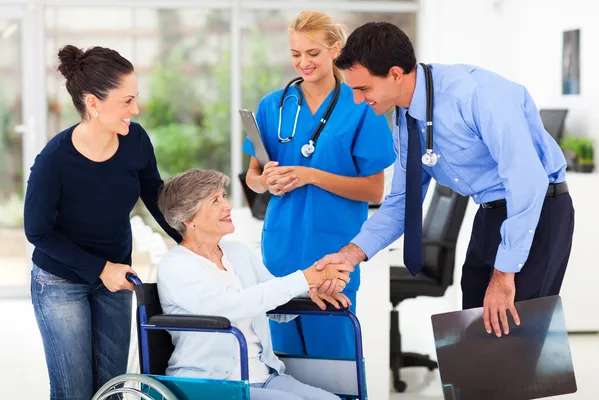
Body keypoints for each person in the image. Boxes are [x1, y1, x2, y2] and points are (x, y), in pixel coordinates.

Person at [315, 22, 574, 339]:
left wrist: (505, 274)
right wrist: (351, 254)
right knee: (475, 330)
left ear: (396, 74)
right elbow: (401, 204)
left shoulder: (475, 96)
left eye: (364, 89)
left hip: (537, 210)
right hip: (490, 212)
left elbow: (527, 182)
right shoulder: (406, 120)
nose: (357, 100)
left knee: (513, 342)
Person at [24, 45, 181, 399]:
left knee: (113, 388)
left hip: (114, 278)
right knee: (75, 391)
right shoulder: (54, 161)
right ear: (94, 103)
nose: (135, 110)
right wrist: (100, 269)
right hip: (59, 281)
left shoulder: (135, 140)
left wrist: (189, 240)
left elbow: (154, 196)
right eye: (126, 101)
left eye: (135, 99)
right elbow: (37, 231)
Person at [243, 11, 396, 359]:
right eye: (296, 54)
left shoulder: (360, 104)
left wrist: (311, 175)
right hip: (281, 251)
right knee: (283, 365)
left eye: (312, 54)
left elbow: (374, 190)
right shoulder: (273, 105)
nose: (303, 63)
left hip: (333, 252)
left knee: (335, 364)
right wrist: (265, 181)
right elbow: (253, 179)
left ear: (334, 49)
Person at [156, 168, 352, 400]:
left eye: (224, 196)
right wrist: (303, 278)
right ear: (188, 218)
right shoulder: (176, 266)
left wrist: (313, 291)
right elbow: (231, 307)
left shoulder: (238, 253)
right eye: (215, 201)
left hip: (265, 376)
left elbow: (276, 305)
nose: (227, 206)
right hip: (215, 383)